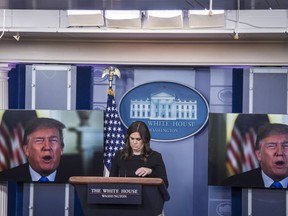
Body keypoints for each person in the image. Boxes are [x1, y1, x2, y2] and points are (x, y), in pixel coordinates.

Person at [0, 117, 71, 182]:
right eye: (39, 140)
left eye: (53, 140)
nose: (47, 147)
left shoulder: (76, 181)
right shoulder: (4, 179)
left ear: (61, 149)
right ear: (26, 149)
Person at [222, 123, 288, 188]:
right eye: (271, 146)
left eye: (286, 146)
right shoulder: (231, 184)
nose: (280, 152)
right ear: (259, 155)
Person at [110, 121, 169, 188]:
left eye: (138, 139)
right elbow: (111, 181)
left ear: (145, 140)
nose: (134, 142)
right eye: (132, 138)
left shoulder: (155, 157)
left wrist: (151, 172)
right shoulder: (119, 155)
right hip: (125, 196)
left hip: (147, 197)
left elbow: (165, 184)